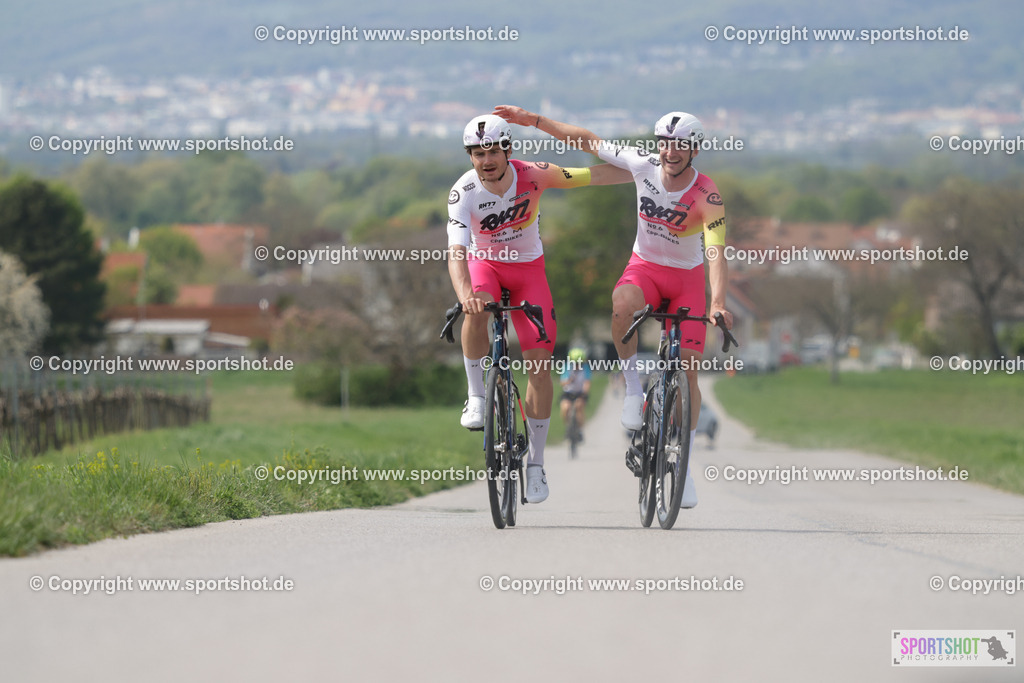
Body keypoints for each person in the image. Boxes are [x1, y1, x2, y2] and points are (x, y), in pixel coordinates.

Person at [493, 105, 734, 509]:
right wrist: (534, 121)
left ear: (695, 150)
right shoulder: (642, 165)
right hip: (645, 269)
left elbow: (715, 253)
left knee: (689, 374)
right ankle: (633, 389)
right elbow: (586, 140)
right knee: (621, 304)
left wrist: (720, 302)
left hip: (687, 280)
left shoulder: (707, 195)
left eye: (680, 145)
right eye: (665, 143)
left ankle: (685, 469)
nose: (671, 151)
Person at [448, 114, 630, 504]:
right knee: (474, 311)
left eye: (493, 151)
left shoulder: (534, 173)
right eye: (477, 154)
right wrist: (465, 292)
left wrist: (644, 173)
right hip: (487, 267)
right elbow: (457, 253)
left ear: (508, 150)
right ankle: (477, 396)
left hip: (529, 271)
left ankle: (536, 464)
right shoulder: (462, 192)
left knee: (540, 367)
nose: (485, 160)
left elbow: (592, 176)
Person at [559, 347, 592, 442]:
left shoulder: (585, 368)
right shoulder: (566, 367)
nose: (577, 365)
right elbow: (562, 382)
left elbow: (587, 382)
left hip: (580, 393)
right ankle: (568, 428)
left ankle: (580, 430)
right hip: (568, 393)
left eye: (580, 363)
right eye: (575, 363)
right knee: (565, 408)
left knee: (579, 406)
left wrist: (584, 393)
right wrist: (569, 380)